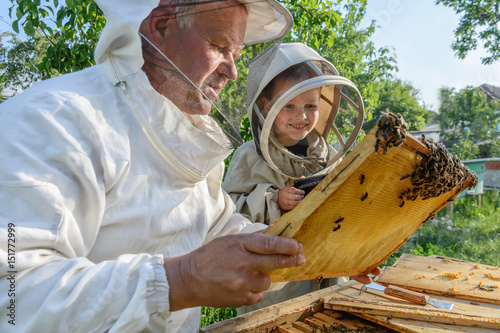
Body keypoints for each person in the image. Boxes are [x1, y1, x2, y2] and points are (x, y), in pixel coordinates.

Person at [0, 1, 379, 332]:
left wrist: (328, 251)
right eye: (219, 46)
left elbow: (226, 229)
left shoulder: (183, 137)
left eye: (236, 52)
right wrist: (181, 279)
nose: (231, 71)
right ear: (161, 26)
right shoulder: (53, 120)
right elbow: (13, 298)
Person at [223, 42, 367, 312]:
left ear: (322, 103)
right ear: (266, 106)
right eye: (288, 105)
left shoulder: (328, 154)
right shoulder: (248, 156)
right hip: (276, 285)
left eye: (309, 105)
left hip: (326, 273)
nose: (300, 116)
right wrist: (273, 199)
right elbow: (226, 214)